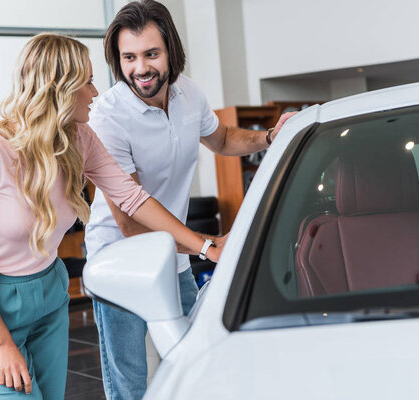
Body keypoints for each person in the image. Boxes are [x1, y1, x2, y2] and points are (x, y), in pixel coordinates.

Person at [0, 33, 222, 399]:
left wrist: (204, 247)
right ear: (59, 88)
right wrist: (1, 343)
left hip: (49, 294)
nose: (96, 93)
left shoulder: (79, 138)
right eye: (88, 82)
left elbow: (133, 198)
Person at [84, 1, 297, 399]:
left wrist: (271, 137)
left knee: (195, 364)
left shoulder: (187, 94)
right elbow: (130, 222)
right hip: (119, 260)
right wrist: (207, 245)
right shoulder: (107, 117)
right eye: (128, 57)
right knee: (128, 383)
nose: (140, 68)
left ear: (171, 53)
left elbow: (222, 139)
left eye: (151, 54)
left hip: (175, 256)